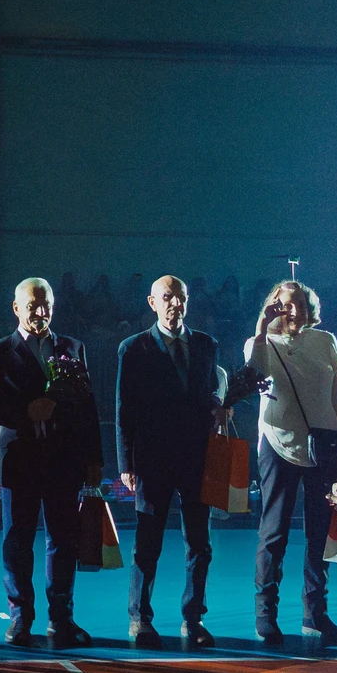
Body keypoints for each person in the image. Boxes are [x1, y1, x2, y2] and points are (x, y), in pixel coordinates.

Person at [0, 277, 104, 647]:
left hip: (65, 462)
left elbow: (88, 406)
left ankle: (61, 618)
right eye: (32, 305)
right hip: (20, 464)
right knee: (17, 543)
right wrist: (26, 411)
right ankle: (20, 618)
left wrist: (94, 459)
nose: (40, 312)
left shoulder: (73, 348)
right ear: (17, 308)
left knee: (64, 541)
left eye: (46, 304)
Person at [114, 276, 224, 648]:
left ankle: (193, 619)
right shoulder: (133, 348)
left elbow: (209, 392)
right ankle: (139, 618)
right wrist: (126, 462)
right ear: (152, 302)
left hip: (196, 458)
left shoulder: (207, 344)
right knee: (148, 542)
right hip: (152, 460)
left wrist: (216, 406)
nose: (175, 304)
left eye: (181, 297)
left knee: (200, 543)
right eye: (167, 297)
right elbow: (124, 409)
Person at [243, 279, 337, 648]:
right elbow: (255, 375)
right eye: (285, 304)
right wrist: (262, 327)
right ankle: (265, 614)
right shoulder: (260, 342)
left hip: (323, 446)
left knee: (320, 532)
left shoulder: (326, 341)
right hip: (278, 444)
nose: (294, 311)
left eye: (301, 304)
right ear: (273, 307)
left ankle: (315, 614)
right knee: (274, 531)